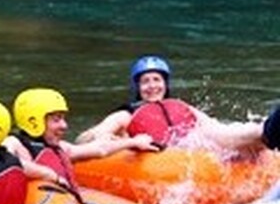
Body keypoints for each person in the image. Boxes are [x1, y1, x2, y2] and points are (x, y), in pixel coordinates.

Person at [6, 88, 280, 204]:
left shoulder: (61, 148)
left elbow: (99, 149)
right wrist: (47, 174)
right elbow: (11, 163)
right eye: (56, 119)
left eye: (63, 118)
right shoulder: (15, 144)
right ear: (32, 120)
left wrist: (129, 143)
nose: (64, 125)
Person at [76, 55, 280, 155]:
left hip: (189, 152)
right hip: (158, 160)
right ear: (138, 87)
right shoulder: (126, 114)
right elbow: (84, 138)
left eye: (156, 80)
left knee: (228, 138)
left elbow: (215, 129)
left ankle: (266, 131)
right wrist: (109, 138)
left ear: (165, 83)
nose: (152, 86)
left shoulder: (180, 107)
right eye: (145, 81)